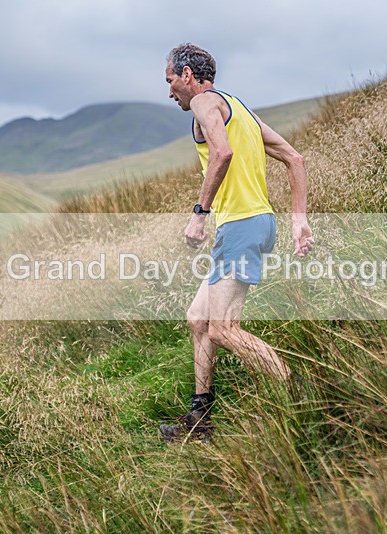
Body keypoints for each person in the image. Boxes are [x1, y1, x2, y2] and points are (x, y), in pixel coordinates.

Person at [159, 43, 314, 443]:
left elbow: (222, 153)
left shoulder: (204, 104)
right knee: (199, 319)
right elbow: (295, 159)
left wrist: (199, 213)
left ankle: (300, 393)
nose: (170, 90)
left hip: (240, 227)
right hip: (257, 223)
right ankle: (200, 419)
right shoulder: (237, 108)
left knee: (223, 330)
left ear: (188, 76)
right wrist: (299, 222)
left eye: (171, 80)